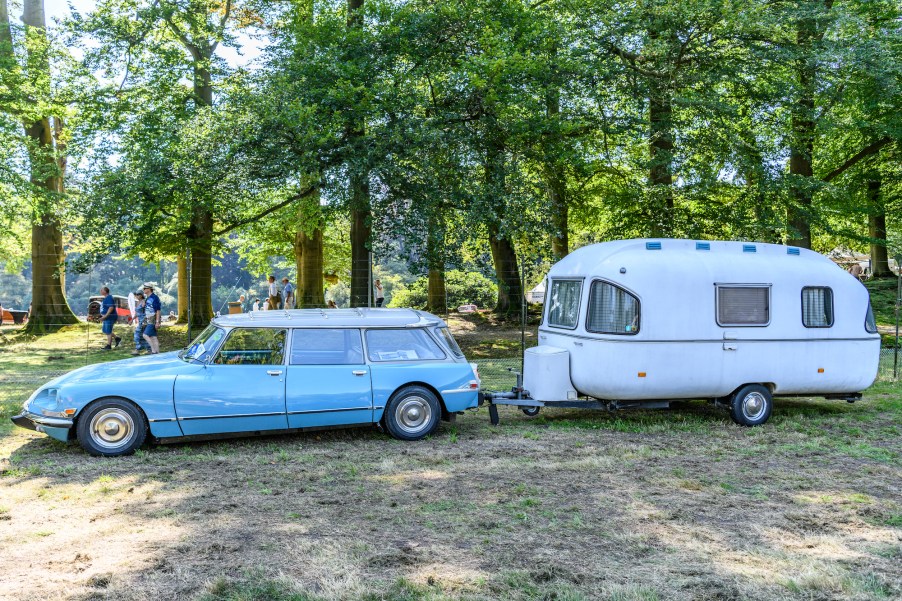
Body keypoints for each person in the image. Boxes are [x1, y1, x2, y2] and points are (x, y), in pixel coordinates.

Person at [142, 283, 162, 354]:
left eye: (145, 288)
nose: (143, 290)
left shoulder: (154, 298)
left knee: (145, 335)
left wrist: (157, 321)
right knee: (153, 337)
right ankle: (158, 353)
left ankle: (153, 351)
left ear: (149, 289)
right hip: (148, 319)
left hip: (152, 319)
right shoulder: (148, 298)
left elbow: (158, 310)